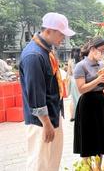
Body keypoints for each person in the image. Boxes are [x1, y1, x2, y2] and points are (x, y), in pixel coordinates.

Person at [19, 12, 75, 171]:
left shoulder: (47, 50)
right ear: (48, 30)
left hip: (52, 116)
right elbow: (36, 96)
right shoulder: (34, 55)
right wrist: (47, 124)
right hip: (41, 122)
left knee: (51, 162)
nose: (63, 37)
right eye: (61, 33)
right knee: (39, 163)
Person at [73, 36, 104, 169]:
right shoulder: (81, 66)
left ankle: (98, 168)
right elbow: (81, 89)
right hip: (87, 104)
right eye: (101, 50)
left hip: (101, 102)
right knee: (87, 138)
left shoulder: (103, 65)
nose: (102, 54)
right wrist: (98, 79)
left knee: (101, 137)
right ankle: (87, 168)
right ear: (92, 49)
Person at [66, 48, 81, 121]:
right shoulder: (82, 60)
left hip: (73, 81)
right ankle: (81, 115)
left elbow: (69, 73)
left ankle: (72, 116)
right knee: (80, 98)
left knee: (72, 99)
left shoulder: (70, 61)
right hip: (80, 80)